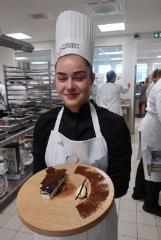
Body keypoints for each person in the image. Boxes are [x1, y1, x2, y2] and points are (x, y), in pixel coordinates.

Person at [33, 10, 132, 240]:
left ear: (92, 78)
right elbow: (38, 176)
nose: (69, 86)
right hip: (53, 221)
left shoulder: (113, 125)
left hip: (96, 223)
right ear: (55, 79)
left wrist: (76, 192)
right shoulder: (45, 123)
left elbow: (121, 184)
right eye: (61, 77)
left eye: (78, 76)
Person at [132, 69, 161, 217]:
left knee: (146, 162)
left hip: (151, 129)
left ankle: (139, 192)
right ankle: (150, 203)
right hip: (154, 132)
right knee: (156, 167)